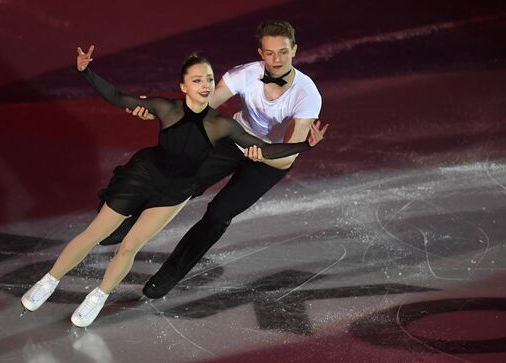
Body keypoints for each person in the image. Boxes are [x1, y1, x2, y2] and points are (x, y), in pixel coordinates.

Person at [20, 44, 327, 328]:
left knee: (131, 246)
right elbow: (118, 97)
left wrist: (306, 147)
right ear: (183, 86)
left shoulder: (222, 125)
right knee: (95, 234)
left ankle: (98, 296)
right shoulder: (165, 108)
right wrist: (86, 71)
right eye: (197, 80)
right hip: (144, 176)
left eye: (208, 79)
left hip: (174, 192)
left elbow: (268, 149)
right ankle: (49, 280)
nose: (205, 85)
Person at [120, 20, 325, 299]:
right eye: (269, 53)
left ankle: (170, 274)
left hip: (271, 159)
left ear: (295, 50)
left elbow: (288, 157)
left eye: (283, 52)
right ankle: (129, 220)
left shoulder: (307, 94)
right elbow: (200, 107)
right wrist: (156, 109)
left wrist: (263, 155)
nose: (276, 60)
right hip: (235, 138)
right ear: (260, 52)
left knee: (218, 214)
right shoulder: (244, 74)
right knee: (184, 178)